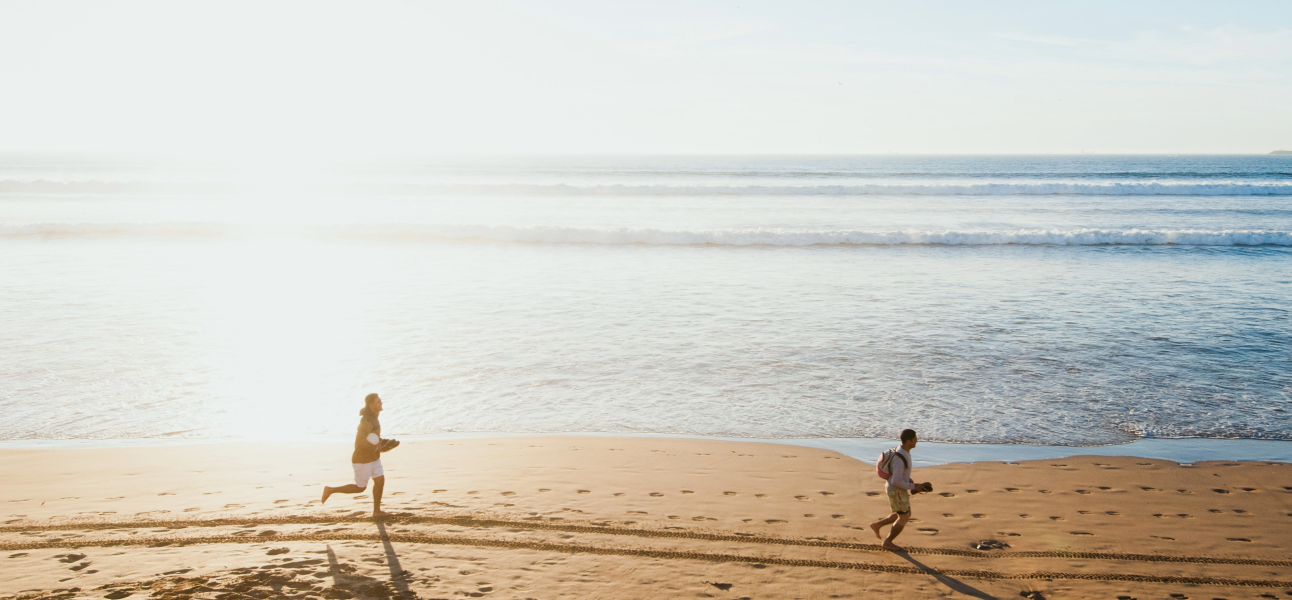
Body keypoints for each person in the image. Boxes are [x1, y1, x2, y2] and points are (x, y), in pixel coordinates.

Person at [321, 393, 393, 519]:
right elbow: (360, 441)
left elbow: (373, 437)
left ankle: (377, 511)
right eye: (378, 401)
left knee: (380, 481)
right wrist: (376, 447)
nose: (381, 403)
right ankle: (330, 490)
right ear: (371, 405)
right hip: (363, 460)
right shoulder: (366, 421)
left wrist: (383, 443)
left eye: (380, 401)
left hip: (373, 457)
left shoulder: (374, 418)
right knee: (360, 488)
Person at [869, 429, 930, 551]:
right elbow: (896, 481)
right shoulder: (900, 457)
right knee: (903, 517)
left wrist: (909, 481)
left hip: (898, 489)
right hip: (896, 490)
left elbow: (899, 475)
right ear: (908, 441)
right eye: (915, 439)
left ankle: (877, 525)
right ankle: (888, 542)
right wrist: (914, 486)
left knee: (904, 514)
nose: (917, 441)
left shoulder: (903, 451)